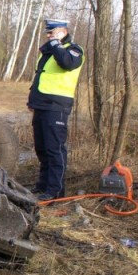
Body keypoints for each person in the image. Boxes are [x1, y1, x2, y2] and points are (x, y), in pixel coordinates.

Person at [27, 17, 85, 201]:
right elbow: (41, 77)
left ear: (63, 32)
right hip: (41, 105)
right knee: (42, 148)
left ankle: (55, 192)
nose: (49, 35)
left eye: (52, 32)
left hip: (57, 106)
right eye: (48, 33)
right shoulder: (49, 52)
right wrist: (32, 101)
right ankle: (43, 186)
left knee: (55, 149)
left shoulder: (73, 50)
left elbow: (67, 64)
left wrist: (56, 43)